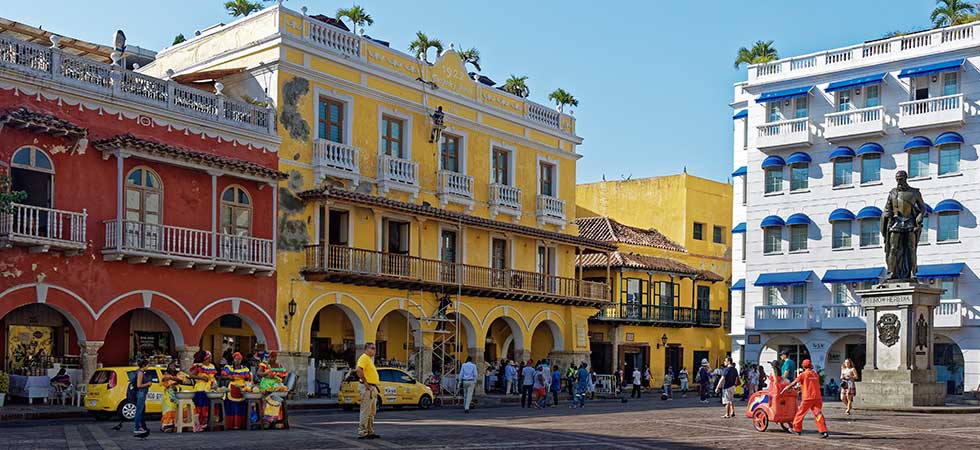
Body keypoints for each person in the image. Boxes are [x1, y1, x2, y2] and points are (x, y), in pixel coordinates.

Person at [781, 359, 829, 438]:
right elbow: (810, 384)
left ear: (803, 366)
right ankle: (824, 431)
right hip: (817, 397)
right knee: (818, 414)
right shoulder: (815, 374)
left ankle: (797, 429)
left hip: (807, 398)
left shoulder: (803, 374)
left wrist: (786, 388)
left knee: (800, 413)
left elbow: (794, 383)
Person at [355, 343, 381, 440]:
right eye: (372, 348)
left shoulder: (368, 359)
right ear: (366, 349)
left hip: (372, 387)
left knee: (371, 412)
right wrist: (365, 382)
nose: (374, 350)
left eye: (375, 348)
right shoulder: (364, 358)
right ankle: (363, 431)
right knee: (366, 411)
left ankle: (370, 431)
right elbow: (358, 370)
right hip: (367, 387)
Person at [222, 352, 252, 430]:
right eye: (236, 359)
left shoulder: (245, 368)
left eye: (239, 359)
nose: (237, 360)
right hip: (232, 388)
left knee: (240, 407)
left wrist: (248, 379)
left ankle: (240, 424)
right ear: (233, 359)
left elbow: (248, 378)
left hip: (242, 388)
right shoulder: (229, 367)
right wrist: (229, 377)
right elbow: (223, 376)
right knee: (232, 407)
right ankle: (231, 425)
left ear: (241, 360)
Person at [189, 350, 216, 432]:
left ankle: (204, 423)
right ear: (205, 358)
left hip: (209, 389)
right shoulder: (199, 366)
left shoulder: (211, 366)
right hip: (200, 389)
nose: (210, 359)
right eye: (209, 357)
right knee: (200, 408)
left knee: (206, 408)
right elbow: (191, 375)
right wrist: (201, 378)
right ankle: (198, 424)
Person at [159, 361, 183, 433]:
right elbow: (164, 381)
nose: (173, 368)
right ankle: (167, 426)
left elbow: (180, 380)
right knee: (169, 409)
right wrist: (172, 379)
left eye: (174, 366)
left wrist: (171, 378)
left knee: (178, 409)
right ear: (168, 367)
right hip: (168, 395)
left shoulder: (178, 373)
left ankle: (176, 425)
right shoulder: (166, 374)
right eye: (171, 366)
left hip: (177, 393)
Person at [133, 359, 153, 435]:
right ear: (144, 366)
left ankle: (141, 426)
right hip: (141, 393)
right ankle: (137, 427)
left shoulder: (139, 371)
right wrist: (148, 383)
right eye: (147, 365)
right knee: (139, 410)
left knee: (141, 410)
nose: (148, 367)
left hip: (141, 393)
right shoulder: (140, 373)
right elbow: (139, 385)